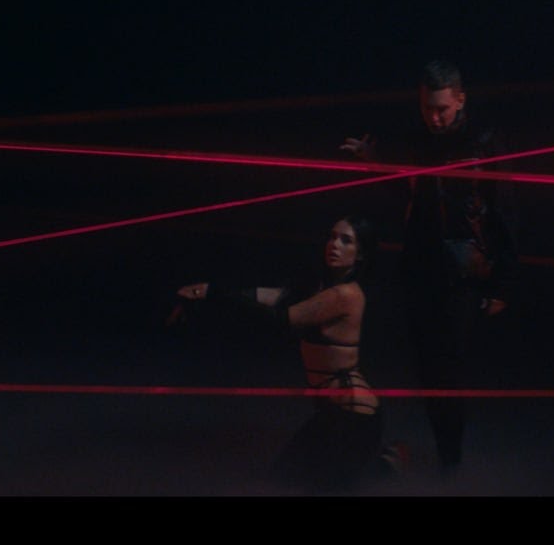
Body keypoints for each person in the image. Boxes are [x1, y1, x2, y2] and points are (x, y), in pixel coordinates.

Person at [340, 59, 520, 478]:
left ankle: (449, 457)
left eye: (441, 109)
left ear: (460, 99)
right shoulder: (417, 140)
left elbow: (506, 211)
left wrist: (503, 284)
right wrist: (373, 161)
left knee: (447, 368)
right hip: (420, 269)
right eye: (427, 108)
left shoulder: (484, 141)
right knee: (426, 367)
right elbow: (405, 193)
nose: (434, 117)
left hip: (464, 273)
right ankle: (439, 452)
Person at [172, 214, 405, 493]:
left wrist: (213, 294)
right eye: (332, 237)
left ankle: (387, 462)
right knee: (281, 482)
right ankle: (386, 460)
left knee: (323, 488)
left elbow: (282, 319)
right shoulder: (321, 287)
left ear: (361, 254)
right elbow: (273, 296)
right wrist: (206, 292)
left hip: (355, 418)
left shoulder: (346, 295)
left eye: (346, 241)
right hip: (330, 413)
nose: (334, 245)